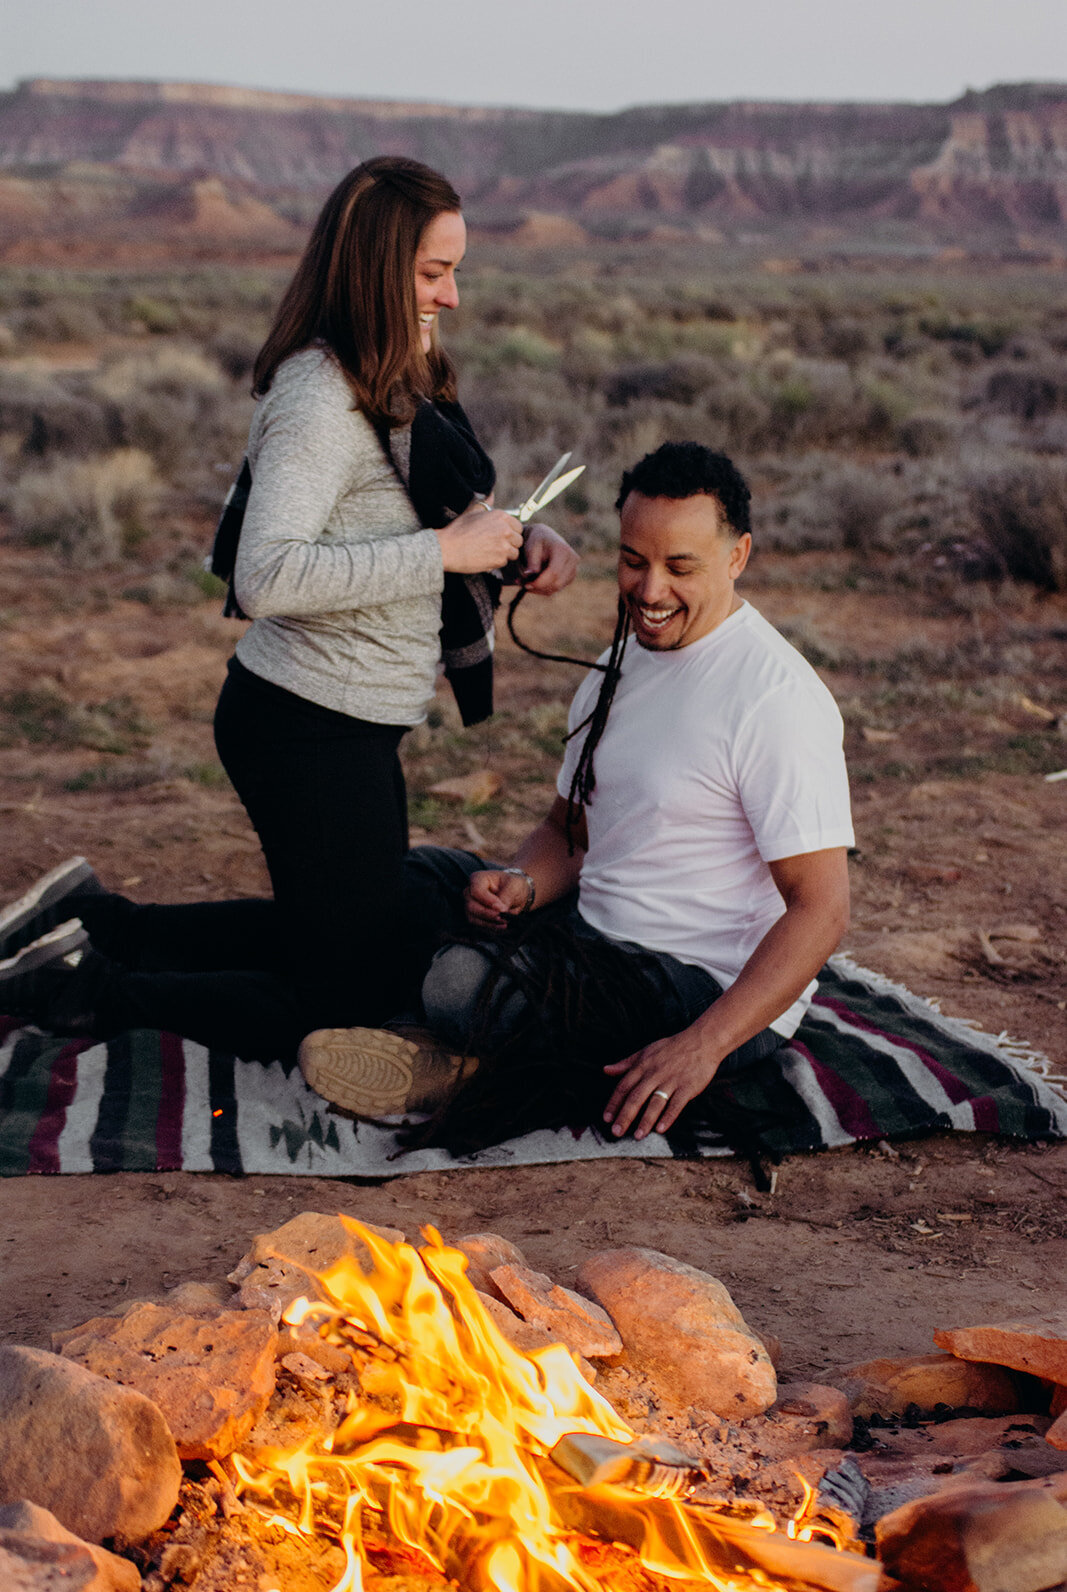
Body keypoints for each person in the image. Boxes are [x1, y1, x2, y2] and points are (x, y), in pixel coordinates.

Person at [0, 156, 577, 1062]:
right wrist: (442, 552)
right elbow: (264, 576)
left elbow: (388, 525)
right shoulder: (320, 394)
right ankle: (78, 989)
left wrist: (509, 548)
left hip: (347, 720)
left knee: (348, 943)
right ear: (376, 267)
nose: (453, 296)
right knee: (347, 999)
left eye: (455, 271)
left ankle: (97, 924)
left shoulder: (390, 377)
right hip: (305, 726)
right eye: (433, 272)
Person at [297, 441, 854, 1149]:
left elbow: (821, 910)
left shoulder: (775, 700)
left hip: (697, 985)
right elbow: (569, 833)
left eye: (680, 567)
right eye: (633, 561)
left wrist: (703, 1045)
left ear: (737, 556)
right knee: (401, 882)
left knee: (454, 985)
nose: (650, 591)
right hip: (589, 934)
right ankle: (467, 1050)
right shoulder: (617, 667)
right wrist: (521, 886)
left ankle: (466, 1072)